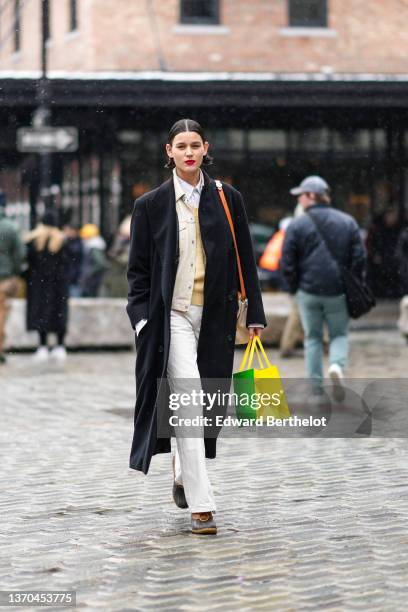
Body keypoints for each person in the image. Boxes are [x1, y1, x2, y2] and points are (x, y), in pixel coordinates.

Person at [127, 118, 266, 535]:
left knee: (207, 407)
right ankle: (202, 507)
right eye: (180, 146)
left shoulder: (228, 198)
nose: (188, 152)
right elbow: (138, 273)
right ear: (168, 152)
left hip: (217, 317)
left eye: (195, 145)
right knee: (187, 401)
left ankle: (183, 470)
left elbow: (246, 257)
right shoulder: (150, 205)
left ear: (206, 149)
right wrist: (142, 320)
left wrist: (254, 313)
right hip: (172, 318)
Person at [281, 175, 366, 398]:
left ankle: (316, 386)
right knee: (339, 334)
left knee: (313, 337)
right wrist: (352, 282)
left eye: (301, 195)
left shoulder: (297, 224)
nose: (299, 200)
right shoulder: (347, 221)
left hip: (307, 291)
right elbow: (359, 258)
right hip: (337, 290)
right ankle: (337, 365)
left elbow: (287, 261)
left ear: (311, 196)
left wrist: (294, 287)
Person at [25, 212, 70, 363]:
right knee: (59, 312)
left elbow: (28, 263)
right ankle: (60, 346)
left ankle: (43, 346)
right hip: (59, 284)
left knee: (41, 312)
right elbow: (69, 262)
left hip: (39, 284)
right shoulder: (62, 240)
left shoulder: (34, 240)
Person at [0, 193, 25, 364]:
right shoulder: (10, 227)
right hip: (4, 277)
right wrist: (15, 271)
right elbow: (20, 254)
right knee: (1, 314)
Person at [79, 224, 108, 297]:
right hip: (93, 279)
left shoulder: (94, 247)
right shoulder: (96, 245)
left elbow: (100, 263)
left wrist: (89, 272)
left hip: (92, 280)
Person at [63, 223, 84, 297]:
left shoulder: (77, 243)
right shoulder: (70, 242)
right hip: (71, 276)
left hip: (74, 277)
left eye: (67, 230)